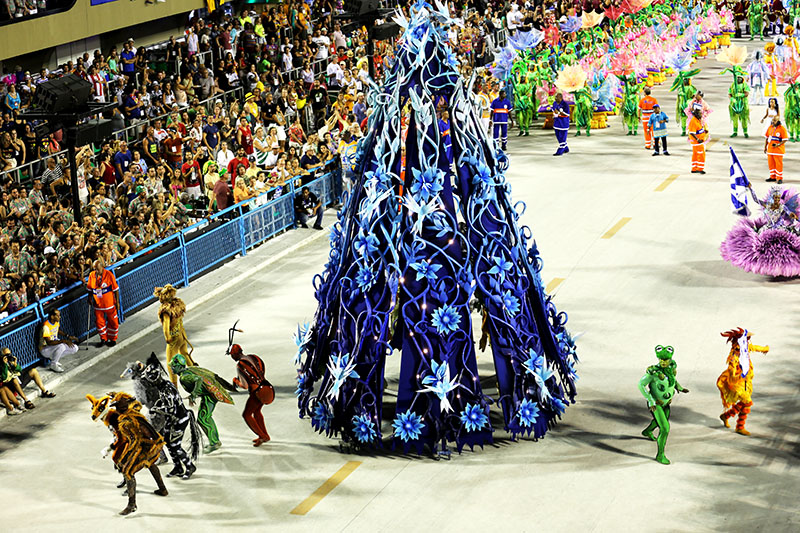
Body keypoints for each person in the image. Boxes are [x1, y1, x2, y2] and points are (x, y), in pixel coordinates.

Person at [86, 391, 168, 515]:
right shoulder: (133, 408)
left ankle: (132, 505)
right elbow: (134, 402)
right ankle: (163, 489)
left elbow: (133, 441)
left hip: (147, 446)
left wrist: (125, 457)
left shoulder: (125, 422)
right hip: (156, 442)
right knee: (151, 464)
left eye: (116, 406)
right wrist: (117, 396)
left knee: (128, 471)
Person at [170, 353, 234, 454]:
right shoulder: (188, 370)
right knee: (204, 418)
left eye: (173, 366)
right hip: (208, 394)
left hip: (210, 395)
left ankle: (215, 442)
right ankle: (215, 441)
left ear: (179, 366)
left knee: (203, 418)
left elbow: (198, 379)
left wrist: (194, 394)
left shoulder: (184, 377)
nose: (171, 368)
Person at [638, 345, 689, 465]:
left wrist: (679, 388)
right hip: (656, 404)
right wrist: (650, 400)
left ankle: (647, 431)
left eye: (665, 360)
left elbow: (672, 381)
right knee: (665, 428)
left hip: (666, 404)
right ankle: (660, 455)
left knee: (659, 421)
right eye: (661, 360)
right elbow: (641, 384)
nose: (663, 362)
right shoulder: (654, 372)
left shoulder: (670, 369)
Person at [717, 328, 769, 436]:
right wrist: (735, 373)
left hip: (745, 381)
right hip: (737, 383)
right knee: (747, 402)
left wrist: (764, 349)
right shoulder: (735, 355)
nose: (748, 340)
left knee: (745, 403)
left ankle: (726, 416)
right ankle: (740, 426)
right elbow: (732, 369)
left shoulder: (744, 348)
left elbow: (754, 347)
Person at [229, 343, 274, 446]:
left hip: (256, 393)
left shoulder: (240, 365)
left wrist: (236, 381)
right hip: (266, 387)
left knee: (247, 415)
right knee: (257, 411)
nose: (232, 358)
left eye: (232, 355)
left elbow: (244, 386)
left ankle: (262, 436)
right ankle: (265, 435)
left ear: (234, 354)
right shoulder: (254, 357)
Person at [154, 284, 196, 386]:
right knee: (185, 354)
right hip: (182, 335)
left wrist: (168, 338)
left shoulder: (165, 311)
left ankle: (174, 386)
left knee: (170, 363)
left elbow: (166, 327)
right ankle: (197, 374)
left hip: (174, 338)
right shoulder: (178, 305)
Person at [1, 347, 55, 415]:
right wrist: (4, 365)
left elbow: (19, 370)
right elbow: (4, 377)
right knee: (14, 380)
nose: (9, 356)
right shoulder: (1, 364)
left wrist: (15, 364)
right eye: (7, 355)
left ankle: (44, 391)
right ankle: (26, 400)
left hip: (18, 381)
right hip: (10, 385)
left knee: (33, 371)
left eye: (10, 354)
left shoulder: (10, 362)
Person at [85, 259, 120, 347]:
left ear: (102, 267)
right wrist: (89, 298)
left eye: (97, 269)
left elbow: (116, 290)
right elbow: (89, 289)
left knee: (114, 323)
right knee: (100, 324)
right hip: (98, 306)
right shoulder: (92, 275)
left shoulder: (109, 274)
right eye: (94, 269)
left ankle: (112, 339)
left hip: (110, 305)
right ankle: (103, 339)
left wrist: (117, 303)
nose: (96, 271)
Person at [39, 309, 78, 373]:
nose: (60, 317)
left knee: (75, 348)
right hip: (45, 349)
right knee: (61, 346)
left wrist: (68, 336)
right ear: (52, 316)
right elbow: (49, 342)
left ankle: (54, 358)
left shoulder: (56, 322)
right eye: (58, 316)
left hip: (54, 346)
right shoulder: (46, 326)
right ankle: (53, 364)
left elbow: (58, 330)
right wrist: (63, 341)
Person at [764, 115, 788, 183]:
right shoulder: (770, 127)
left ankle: (779, 178)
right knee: (771, 164)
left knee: (778, 164)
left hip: (778, 151)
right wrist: (765, 147)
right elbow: (767, 137)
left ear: (778, 121)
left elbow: (785, 139)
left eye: (775, 120)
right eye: (772, 120)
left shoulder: (782, 129)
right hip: (770, 150)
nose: (773, 122)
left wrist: (778, 144)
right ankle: (772, 177)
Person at [688, 108, 708, 174]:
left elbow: (698, 129)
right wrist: (698, 139)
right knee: (701, 154)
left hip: (698, 141)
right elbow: (692, 132)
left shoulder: (697, 120)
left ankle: (694, 168)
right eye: (700, 113)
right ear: (696, 114)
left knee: (696, 155)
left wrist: (704, 131)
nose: (701, 115)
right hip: (697, 142)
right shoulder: (693, 121)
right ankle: (700, 168)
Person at [552, 92, 571, 156]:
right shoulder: (554, 103)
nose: (555, 98)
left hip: (563, 123)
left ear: (561, 98)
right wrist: (554, 114)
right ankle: (565, 147)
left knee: (562, 137)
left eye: (557, 97)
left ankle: (560, 150)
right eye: (555, 97)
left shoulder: (565, 104)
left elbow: (567, 114)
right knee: (558, 136)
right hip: (557, 123)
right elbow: (553, 110)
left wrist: (559, 113)